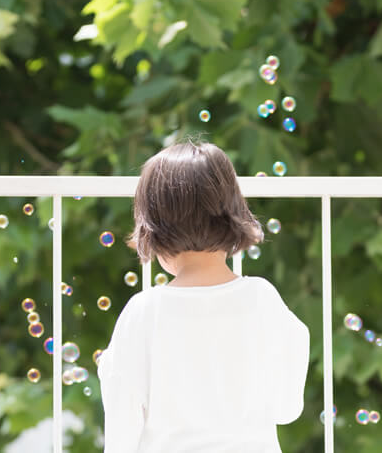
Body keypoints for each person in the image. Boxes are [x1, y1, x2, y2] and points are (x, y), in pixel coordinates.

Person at [97, 141, 310, 453]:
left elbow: (122, 430)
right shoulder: (262, 298)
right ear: (235, 213)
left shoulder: (143, 311)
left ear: (152, 227)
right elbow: (287, 408)